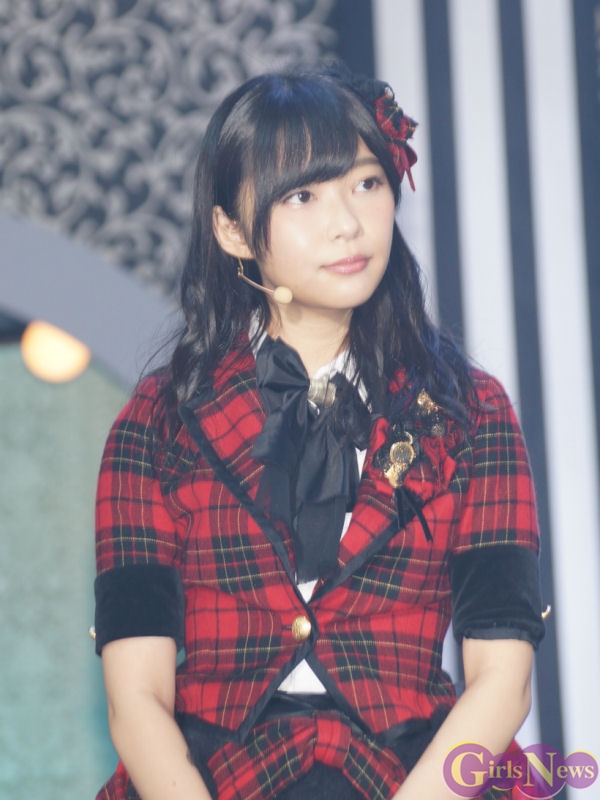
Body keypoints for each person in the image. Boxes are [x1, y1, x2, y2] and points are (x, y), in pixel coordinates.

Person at [93, 65, 545, 800]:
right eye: (303, 195)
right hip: (213, 777)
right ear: (232, 230)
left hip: (413, 775)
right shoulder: (157, 422)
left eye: (366, 183)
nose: (347, 223)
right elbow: (135, 695)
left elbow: (503, 680)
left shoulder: (470, 412)